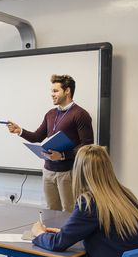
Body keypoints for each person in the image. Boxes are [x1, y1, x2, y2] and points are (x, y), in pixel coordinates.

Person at [7, 74, 94, 212]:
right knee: (51, 211)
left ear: (67, 91)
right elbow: (37, 136)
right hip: (48, 171)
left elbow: (87, 146)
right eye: (51, 91)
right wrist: (20, 131)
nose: (51, 94)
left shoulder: (80, 114)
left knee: (69, 211)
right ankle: (53, 235)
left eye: (55, 91)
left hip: (69, 172)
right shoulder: (50, 114)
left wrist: (63, 155)